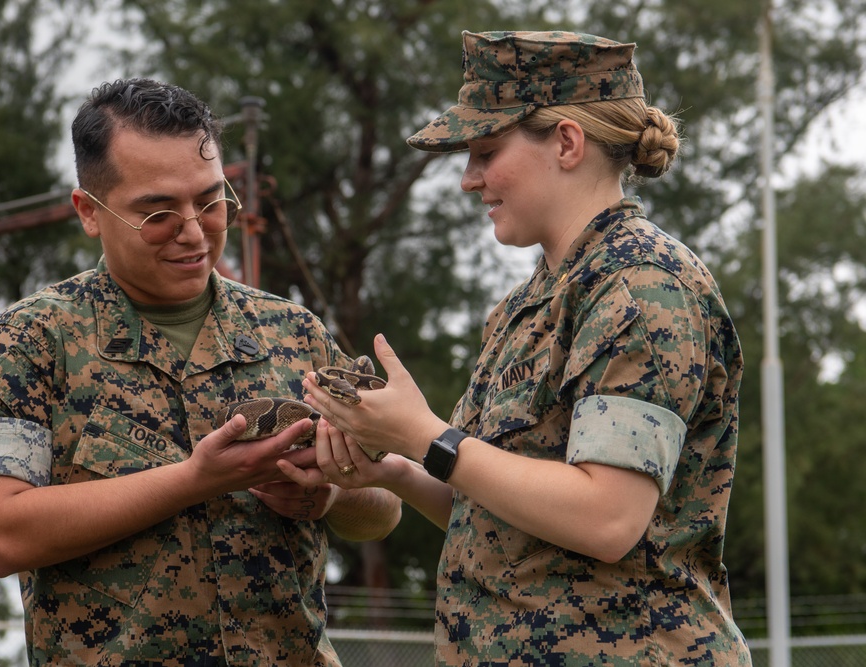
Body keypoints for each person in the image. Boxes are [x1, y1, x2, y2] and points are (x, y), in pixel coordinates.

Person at [290, 31, 752, 665]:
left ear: (566, 142)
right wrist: (392, 462)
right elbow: (481, 497)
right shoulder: (530, 303)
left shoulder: (642, 286)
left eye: (485, 151)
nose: (467, 180)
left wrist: (426, 437)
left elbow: (606, 518)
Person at [0, 78, 401, 666]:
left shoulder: (295, 333)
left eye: (212, 202)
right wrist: (198, 479)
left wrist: (329, 493)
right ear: (89, 212)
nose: (194, 230)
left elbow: (385, 504)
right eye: (158, 212)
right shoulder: (29, 344)